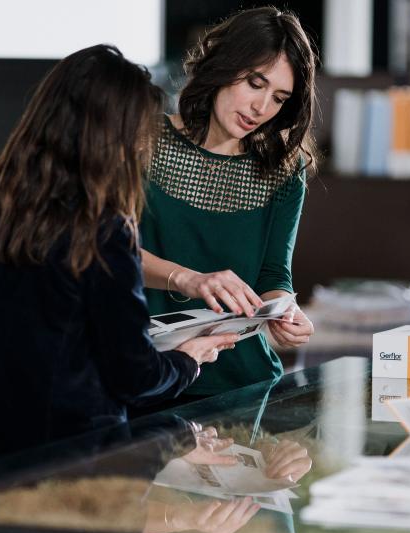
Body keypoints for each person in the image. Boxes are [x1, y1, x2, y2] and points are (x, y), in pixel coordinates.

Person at [0, 45, 238, 475]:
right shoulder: (103, 230)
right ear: (113, 138)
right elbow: (137, 378)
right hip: (70, 472)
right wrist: (189, 359)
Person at [138, 7, 319, 402]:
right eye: (255, 83)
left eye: (279, 98)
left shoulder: (284, 167)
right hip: (151, 378)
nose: (262, 108)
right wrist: (189, 278)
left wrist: (286, 312)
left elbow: (274, 274)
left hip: (246, 386)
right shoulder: (143, 142)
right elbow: (106, 255)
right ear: (224, 64)